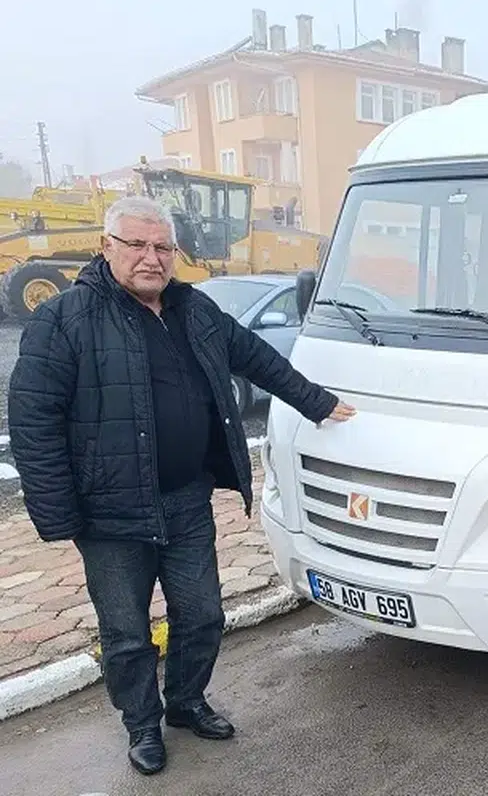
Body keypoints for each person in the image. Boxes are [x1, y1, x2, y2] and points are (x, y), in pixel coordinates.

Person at [7, 196, 356, 776]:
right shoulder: (64, 319)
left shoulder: (194, 309)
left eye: (162, 247)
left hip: (186, 501)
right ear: (106, 247)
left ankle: (186, 702)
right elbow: (33, 420)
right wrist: (56, 513)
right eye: (137, 245)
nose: (152, 257)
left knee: (202, 616)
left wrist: (317, 403)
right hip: (109, 514)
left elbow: (257, 358)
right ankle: (142, 726)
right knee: (126, 634)